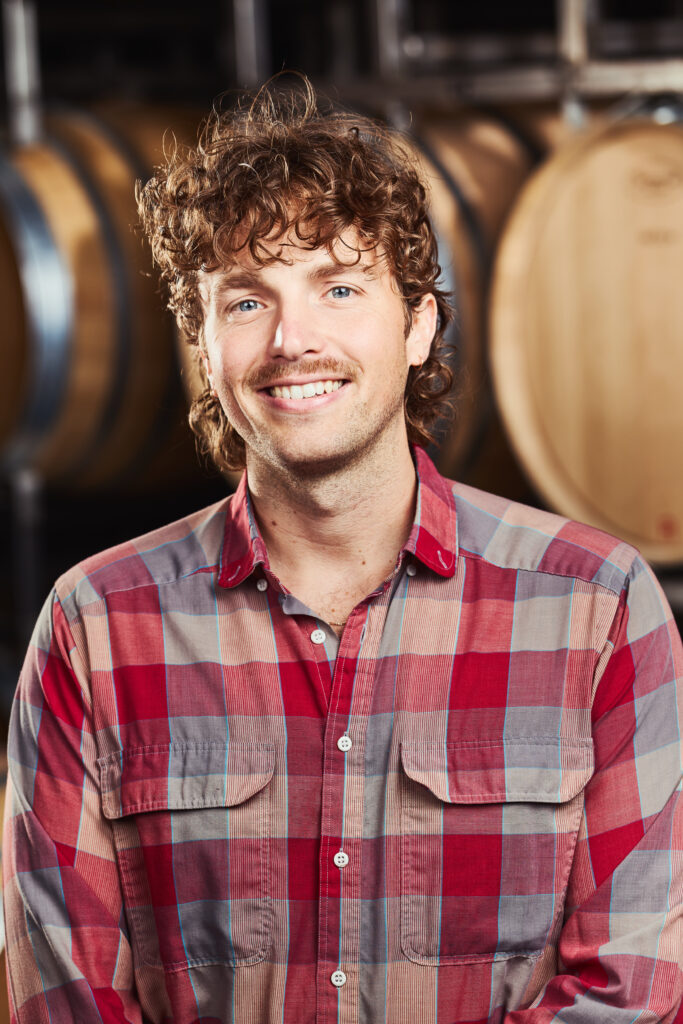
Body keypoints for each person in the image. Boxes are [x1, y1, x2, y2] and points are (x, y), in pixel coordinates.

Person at [3, 77, 682, 1024]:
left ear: (417, 325)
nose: (292, 340)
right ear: (204, 345)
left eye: (339, 287)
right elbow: (63, 1001)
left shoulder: (596, 606)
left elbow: (630, 992)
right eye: (245, 303)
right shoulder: (94, 627)